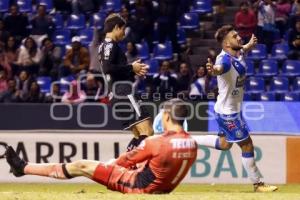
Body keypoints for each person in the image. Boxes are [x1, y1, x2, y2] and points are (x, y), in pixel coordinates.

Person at [4, 98, 197, 194]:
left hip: (137, 185)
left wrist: (105, 168)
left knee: (81, 165)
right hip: (160, 188)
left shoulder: (156, 143)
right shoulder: (191, 144)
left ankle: (23, 168)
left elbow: (124, 161)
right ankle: (23, 167)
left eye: (162, 116)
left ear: (167, 116)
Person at [193, 25, 278, 192]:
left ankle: (191, 140)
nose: (239, 38)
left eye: (238, 35)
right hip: (228, 114)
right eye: (235, 36)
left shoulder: (236, 52)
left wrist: (248, 46)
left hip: (230, 109)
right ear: (226, 44)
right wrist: (213, 71)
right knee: (247, 145)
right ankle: (258, 184)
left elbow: (241, 51)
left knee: (225, 144)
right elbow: (219, 68)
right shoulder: (223, 60)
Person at [96, 13, 153, 151]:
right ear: (116, 27)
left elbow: (113, 69)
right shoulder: (110, 45)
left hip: (116, 94)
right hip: (123, 92)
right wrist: (131, 67)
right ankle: (128, 164)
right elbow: (108, 68)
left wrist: (132, 70)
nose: (124, 33)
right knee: (148, 133)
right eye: (123, 29)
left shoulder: (103, 46)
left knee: (139, 135)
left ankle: (129, 165)